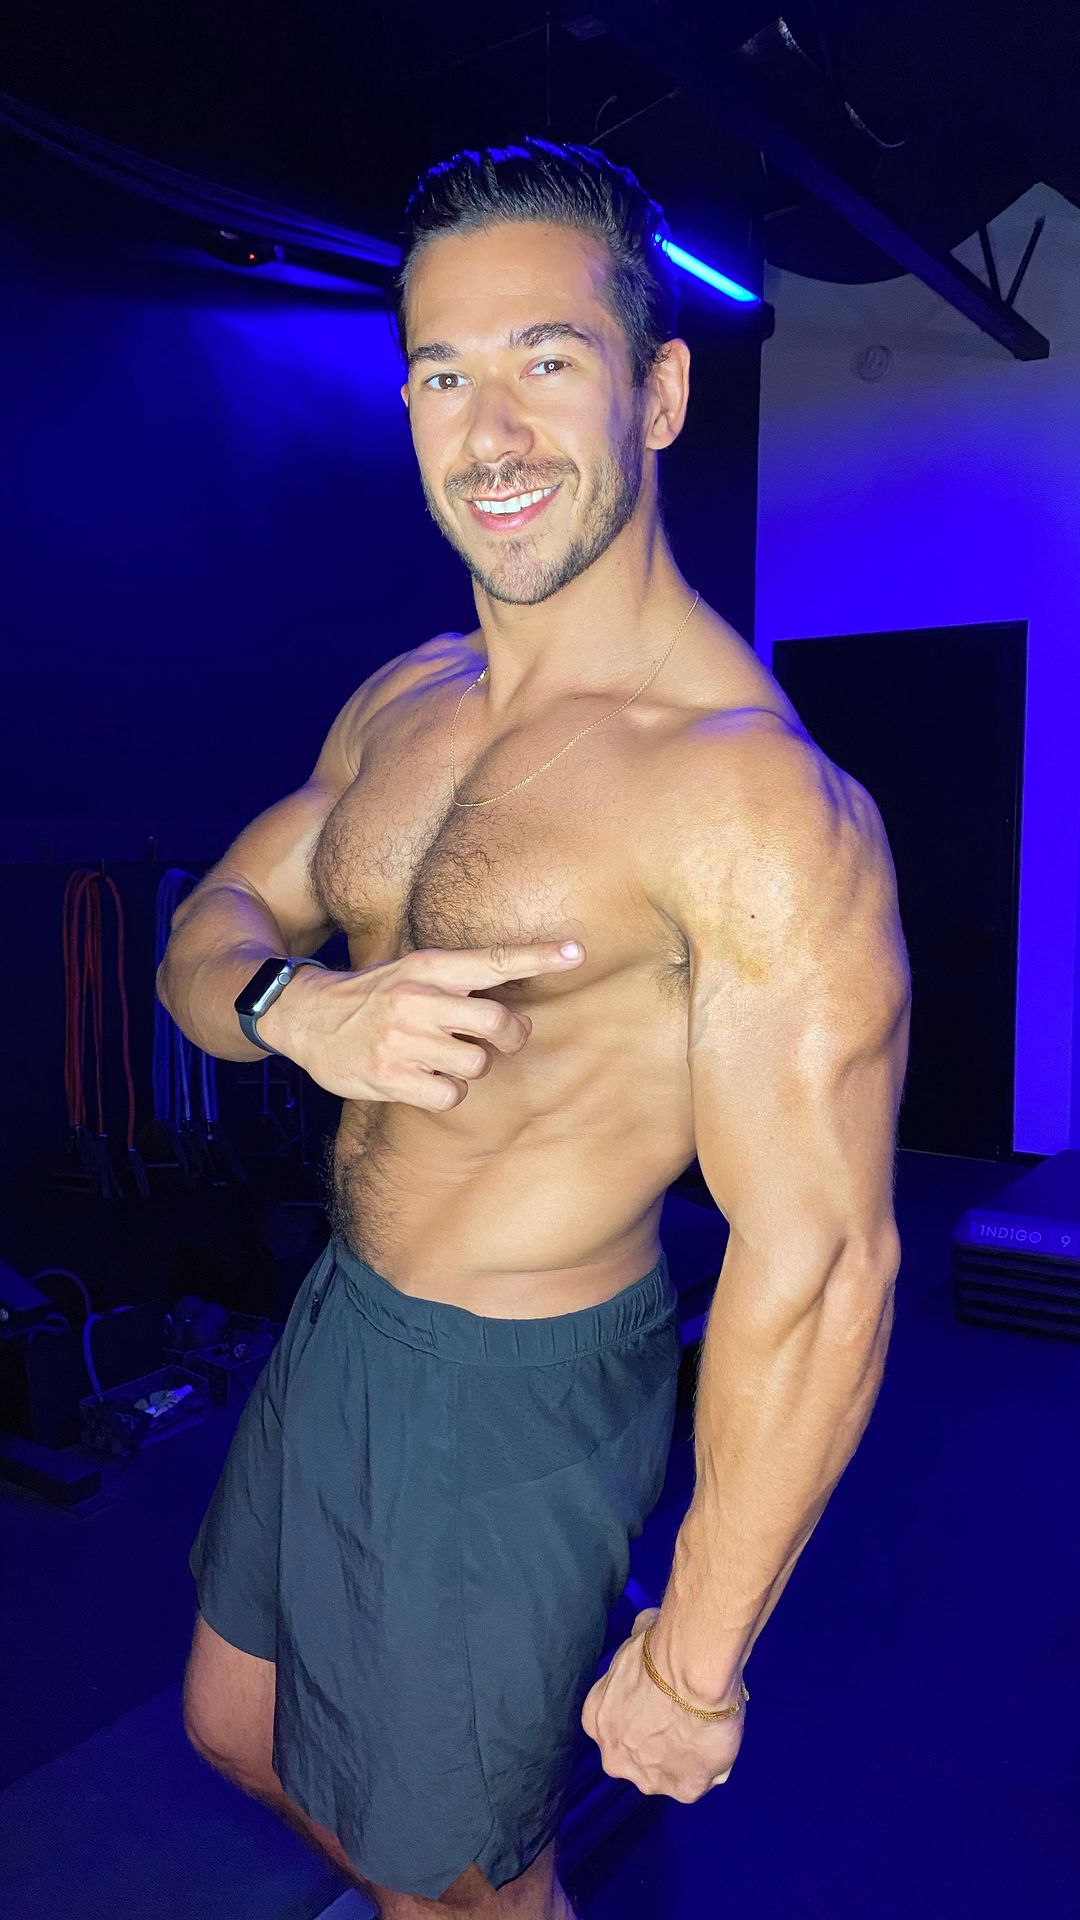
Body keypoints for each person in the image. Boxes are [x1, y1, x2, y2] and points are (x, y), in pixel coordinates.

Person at [159, 137, 911, 1920]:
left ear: (659, 391)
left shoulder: (751, 800)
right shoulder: (408, 701)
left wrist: (698, 1661)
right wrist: (299, 1009)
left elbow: (824, 1265)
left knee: (464, 1884)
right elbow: (208, 932)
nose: (487, 429)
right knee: (231, 1728)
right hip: (344, 1324)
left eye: (546, 359)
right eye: (442, 372)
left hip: (511, 1396)